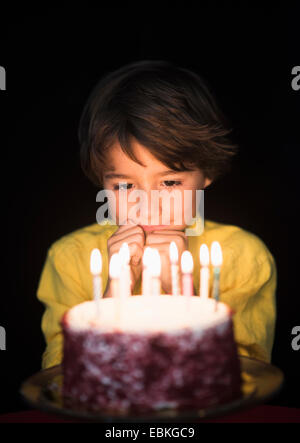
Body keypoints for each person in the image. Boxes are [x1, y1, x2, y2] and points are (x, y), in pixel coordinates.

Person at [37, 60, 276, 370]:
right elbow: (60, 377)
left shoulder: (243, 257)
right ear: (102, 181)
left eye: (169, 182)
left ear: (206, 174)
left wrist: (181, 292)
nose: (147, 205)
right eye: (125, 185)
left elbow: (245, 373)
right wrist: (113, 295)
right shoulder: (70, 258)